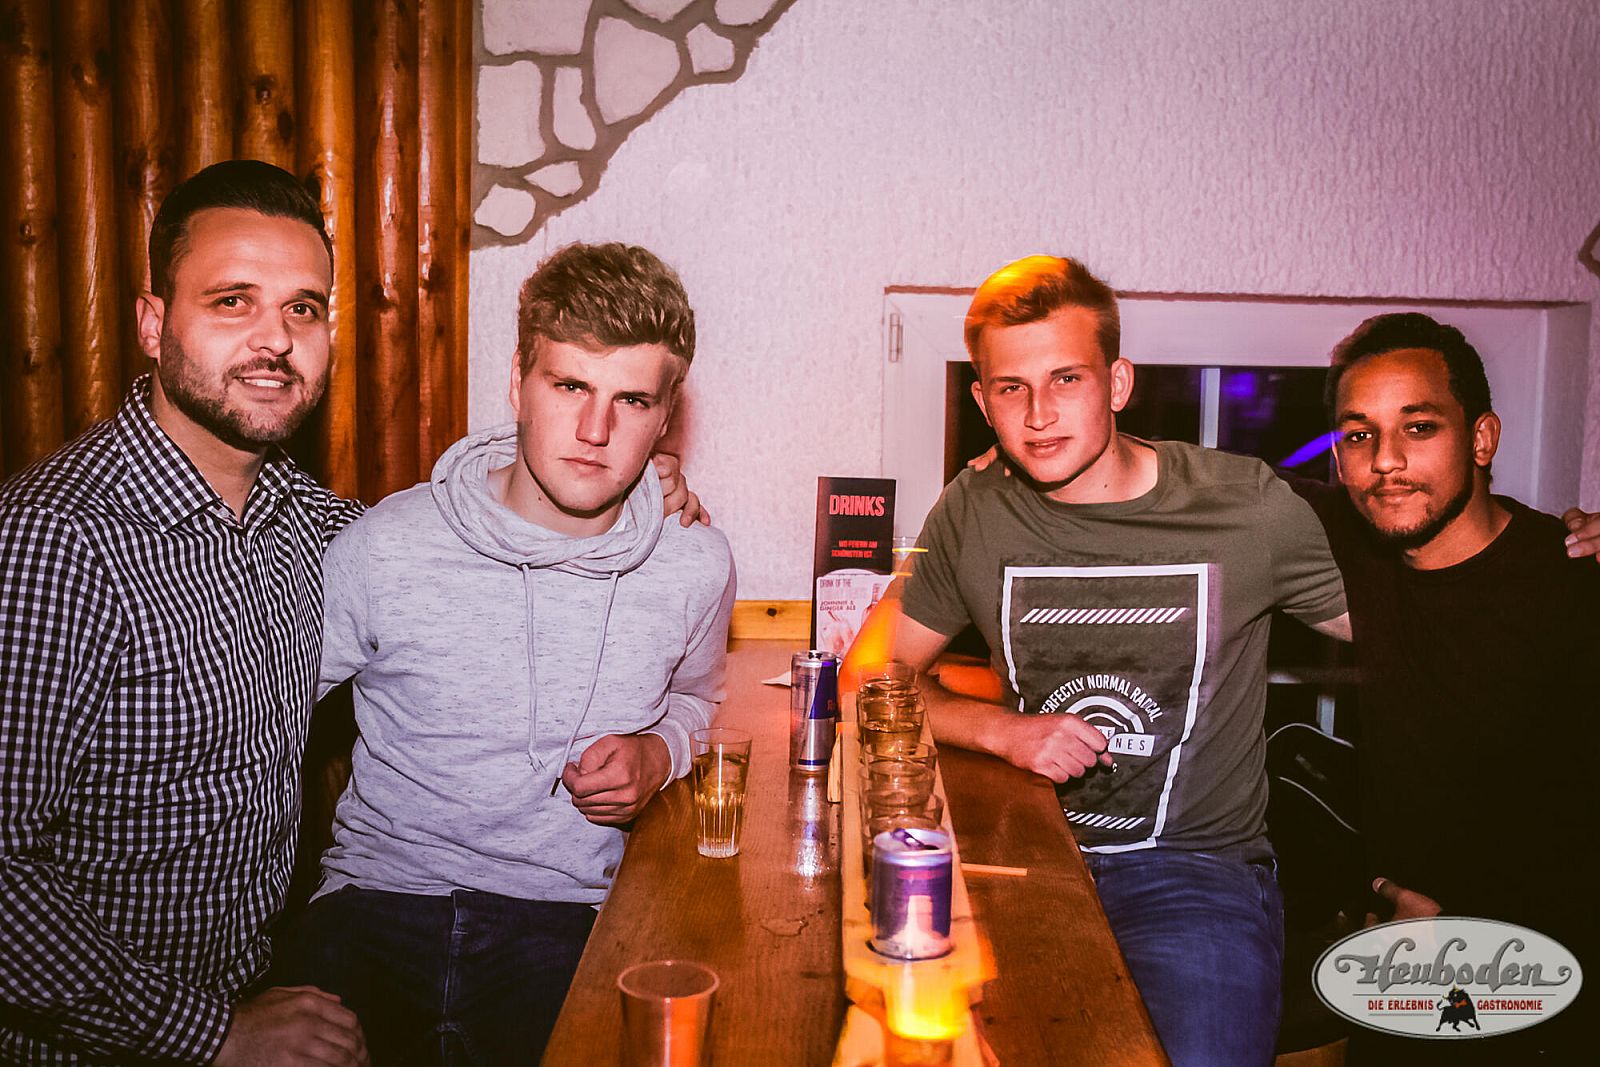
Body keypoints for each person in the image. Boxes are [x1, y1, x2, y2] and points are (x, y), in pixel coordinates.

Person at [0, 163, 705, 1066]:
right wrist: (215, 1033)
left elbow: (471, 525)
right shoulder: (54, 538)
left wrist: (635, 477)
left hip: (270, 989)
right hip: (108, 1038)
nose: (274, 339)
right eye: (231, 301)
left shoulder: (313, 527)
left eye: (302, 308)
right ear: (151, 322)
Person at [861, 254, 1352, 1066]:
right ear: (983, 402)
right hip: (1022, 856)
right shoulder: (973, 511)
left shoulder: (1246, 506)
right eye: (1012, 388)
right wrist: (1003, 730)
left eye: (1067, 379)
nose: (1039, 414)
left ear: (1118, 383)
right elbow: (871, 676)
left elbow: (1409, 619)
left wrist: (1549, 546)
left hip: (1195, 874)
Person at [273, 242, 737, 1063]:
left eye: (631, 399)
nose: (595, 431)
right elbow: (255, 720)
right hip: (374, 902)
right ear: (517, 382)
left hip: (569, 922)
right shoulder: (385, 545)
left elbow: (699, 702)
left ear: (666, 417)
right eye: (569, 386)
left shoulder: (694, 563)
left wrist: (659, 752)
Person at [1304, 312, 1598, 1062]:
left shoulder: (1575, 583)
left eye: (1420, 427)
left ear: (1482, 439)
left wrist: (1470, 926)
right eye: (1359, 435)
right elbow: (1179, 486)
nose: (1386, 461)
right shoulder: (1350, 544)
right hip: (1398, 970)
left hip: (1550, 988)